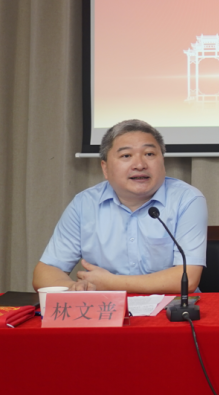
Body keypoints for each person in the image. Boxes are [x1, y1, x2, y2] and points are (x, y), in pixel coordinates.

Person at [32, 119, 207, 293]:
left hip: (173, 307)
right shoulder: (84, 204)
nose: (140, 165)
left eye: (149, 154)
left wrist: (111, 283)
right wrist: (78, 288)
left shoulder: (187, 199)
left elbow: (188, 278)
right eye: (126, 156)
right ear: (105, 168)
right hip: (106, 308)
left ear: (163, 163)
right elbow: (45, 273)